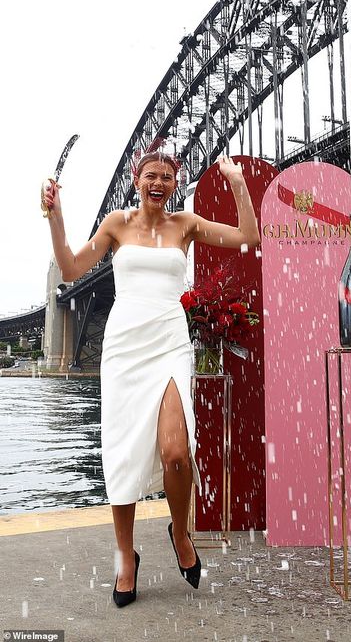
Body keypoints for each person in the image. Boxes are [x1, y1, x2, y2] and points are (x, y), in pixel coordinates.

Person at [42, 151, 261, 606]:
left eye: (167, 177)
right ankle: (126, 557)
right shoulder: (116, 224)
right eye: (151, 176)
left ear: (174, 183)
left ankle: (179, 533)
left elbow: (247, 235)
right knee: (122, 456)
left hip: (169, 342)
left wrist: (237, 181)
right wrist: (56, 217)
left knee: (177, 453)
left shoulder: (186, 224)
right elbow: (70, 269)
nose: (158, 183)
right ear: (136, 179)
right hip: (124, 349)